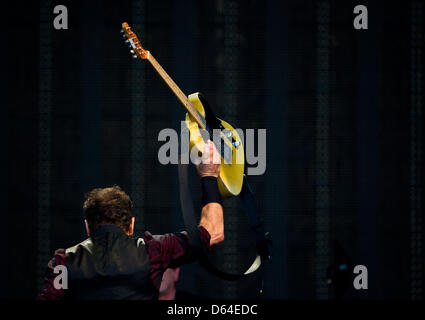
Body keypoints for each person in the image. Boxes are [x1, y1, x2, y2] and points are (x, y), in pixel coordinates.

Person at [38, 141, 223, 300]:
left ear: (87, 226)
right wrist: (209, 176)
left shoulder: (62, 263)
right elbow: (213, 232)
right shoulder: (154, 252)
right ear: (131, 225)